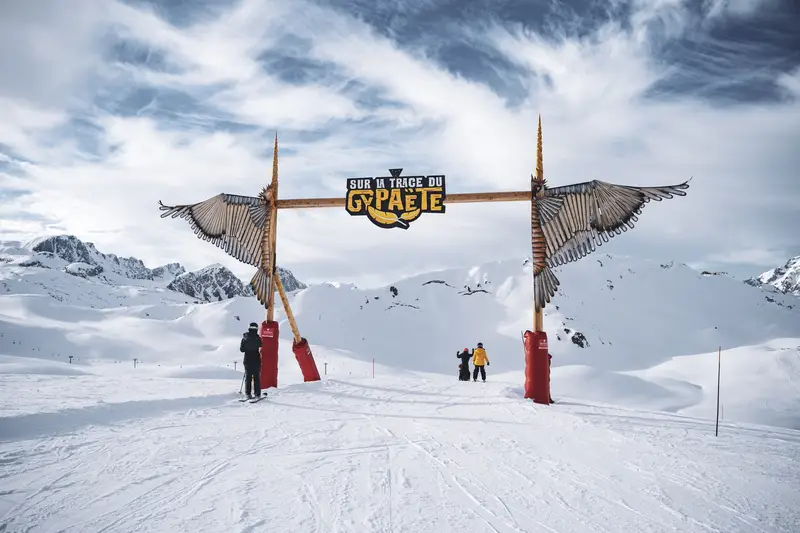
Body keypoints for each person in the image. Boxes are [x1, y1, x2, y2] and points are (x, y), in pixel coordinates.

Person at [239, 322, 263, 398]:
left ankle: (248, 394)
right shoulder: (258, 338)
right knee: (256, 377)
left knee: (248, 377)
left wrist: (247, 348)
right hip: (256, 359)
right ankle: (257, 394)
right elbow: (261, 345)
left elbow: (242, 349)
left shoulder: (244, 338)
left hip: (247, 359)